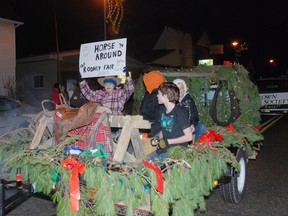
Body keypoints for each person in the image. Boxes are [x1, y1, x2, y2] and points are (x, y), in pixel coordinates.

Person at [147, 82, 193, 162]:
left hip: (176, 151)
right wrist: (157, 139)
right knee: (148, 160)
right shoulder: (163, 110)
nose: (157, 95)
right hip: (165, 149)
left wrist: (169, 141)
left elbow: (189, 137)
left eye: (159, 94)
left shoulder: (180, 112)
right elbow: (164, 129)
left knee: (155, 165)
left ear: (165, 96)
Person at [140, 70, 166, 137]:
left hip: (152, 129)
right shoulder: (149, 94)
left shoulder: (159, 97)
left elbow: (160, 121)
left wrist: (148, 134)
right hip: (146, 127)